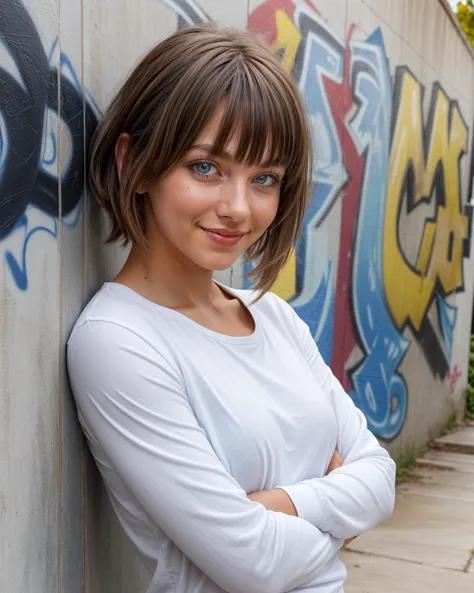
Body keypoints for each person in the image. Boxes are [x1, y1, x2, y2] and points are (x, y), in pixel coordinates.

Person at [67, 24, 396, 593]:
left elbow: (381, 478)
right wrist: (339, 514)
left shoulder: (272, 316)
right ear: (135, 161)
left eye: (264, 178)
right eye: (205, 167)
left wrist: (278, 505)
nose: (238, 208)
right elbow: (254, 564)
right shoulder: (117, 341)